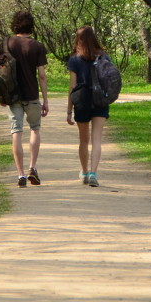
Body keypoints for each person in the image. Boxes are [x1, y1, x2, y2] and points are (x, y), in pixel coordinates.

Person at [3, 11, 49, 187]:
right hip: (31, 95)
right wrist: (45, 100)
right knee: (35, 129)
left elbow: (0, 70)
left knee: (16, 132)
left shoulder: (6, 43)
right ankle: (33, 168)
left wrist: (1, 95)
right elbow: (42, 76)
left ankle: (20, 174)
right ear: (31, 25)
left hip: (13, 95)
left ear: (14, 25)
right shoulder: (37, 46)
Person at [66, 26, 111, 187]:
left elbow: (72, 86)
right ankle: (93, 172)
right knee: (97, 139)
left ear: (78, 40)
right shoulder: (104, 57)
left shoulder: (74, 60)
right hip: (100, 99)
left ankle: (84, 172)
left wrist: (69, 109)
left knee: (83, 140)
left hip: (82, 100)